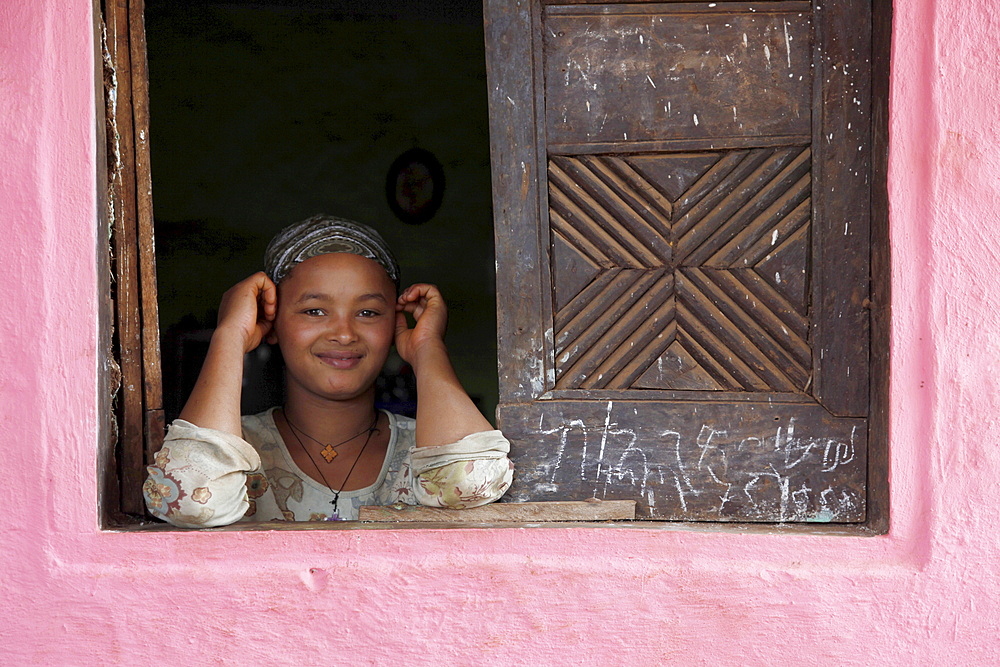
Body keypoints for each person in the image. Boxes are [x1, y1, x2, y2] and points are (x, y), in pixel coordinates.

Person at [143, 215, 513, 526]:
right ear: (270, 322)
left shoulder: (429, 450)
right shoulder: (233, 450)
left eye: (368, 312)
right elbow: (190, 500)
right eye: (314, 311)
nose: (343, 333)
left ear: (394, 324)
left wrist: (427, 347)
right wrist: (229, 335)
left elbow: (470, 482)